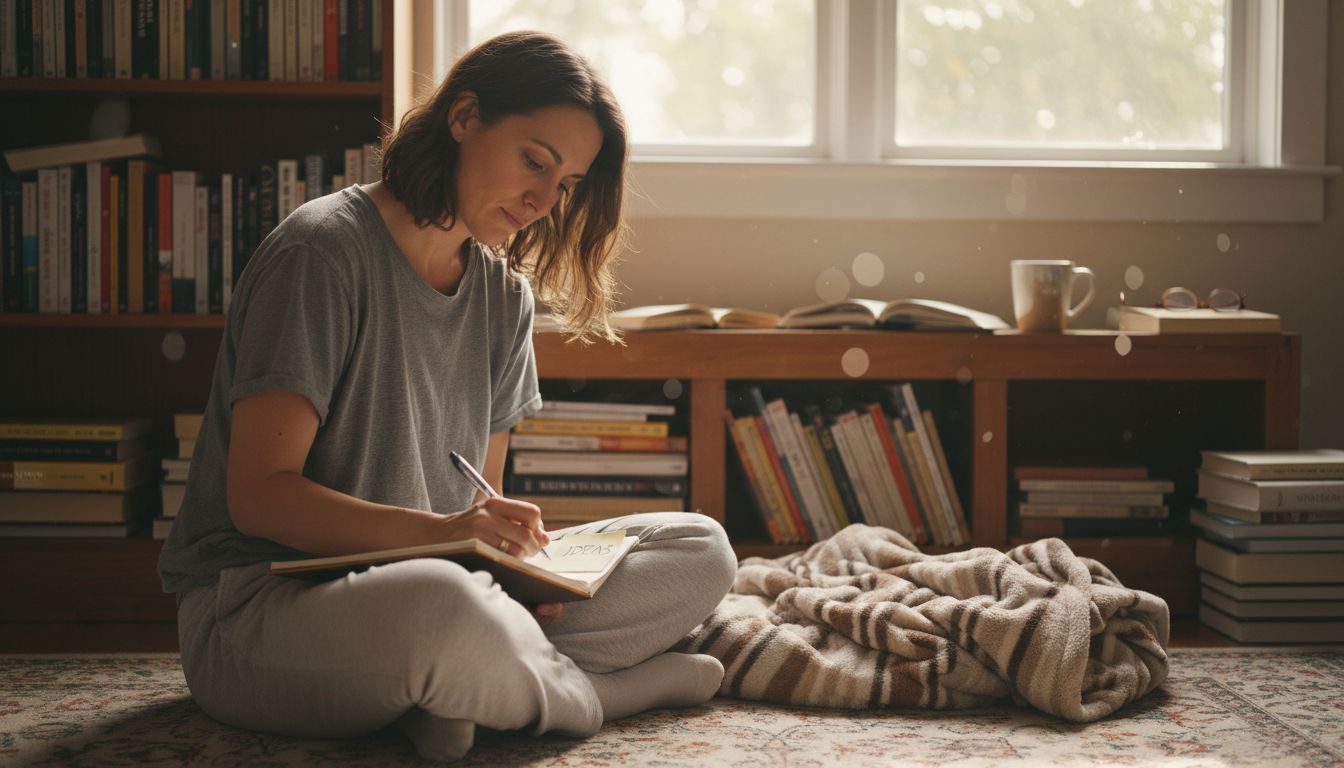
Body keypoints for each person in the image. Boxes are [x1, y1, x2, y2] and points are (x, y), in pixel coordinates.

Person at [158, 31, 738, 762]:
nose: (544, 200)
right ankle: (591, 696)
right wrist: (451, 549)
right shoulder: (321, 253)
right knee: (447, 612)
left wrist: (512, 566)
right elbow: (262, 500)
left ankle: (457, 691)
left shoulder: (504, 300)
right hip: (259, 612)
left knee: (699, 550)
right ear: (464, 116)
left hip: (431, 589)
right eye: (535, 161)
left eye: (564, 184)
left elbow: (476, 508)